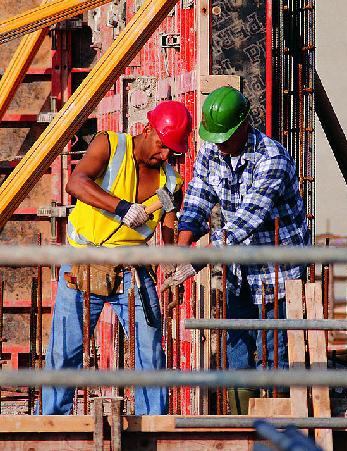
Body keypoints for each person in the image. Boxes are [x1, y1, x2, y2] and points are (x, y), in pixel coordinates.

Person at [41, 100, 192, 415]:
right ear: (147, 128)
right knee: (65, 353)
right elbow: (76, 183)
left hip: (132, 271)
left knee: (150, 351)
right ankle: (53, 426)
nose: (165, 155)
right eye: (162, 146)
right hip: (85, 264)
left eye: (172, 151)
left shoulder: (171, 181)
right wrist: (121, 208)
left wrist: (174, 273)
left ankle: (153, 427)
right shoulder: (109, 144)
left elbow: (167, 230)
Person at [162, 86, 310, 378]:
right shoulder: (211, 152)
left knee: (272, 356)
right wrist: (179, 254)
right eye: (215, 139)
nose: (219, 146)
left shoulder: (272, 159)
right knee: (236, 352)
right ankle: (243, 419)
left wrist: (194, 264)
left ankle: (274, 419)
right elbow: (196, 200)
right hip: (239, 270)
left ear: (244, 125)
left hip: (275, 272)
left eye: (225, 139)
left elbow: (246, 220)